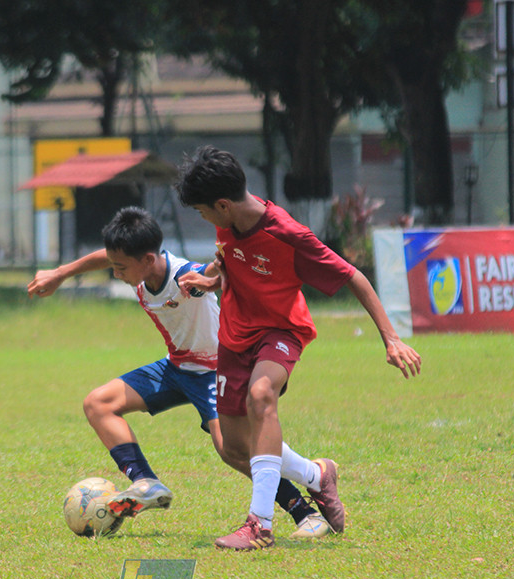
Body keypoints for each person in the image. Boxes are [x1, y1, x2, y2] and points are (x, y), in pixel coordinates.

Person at [28, 206, 333, 537]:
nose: (115, 273)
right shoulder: (138, 269)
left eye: (120, 267)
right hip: (175, 368)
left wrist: (211, 275)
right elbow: (105, 256)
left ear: (147, 259)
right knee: (97, 404)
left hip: (216, 371)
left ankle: (305, 511)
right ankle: (145, 482)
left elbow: (212, 272)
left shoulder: (184, 275)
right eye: (114, 265)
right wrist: (60, 273)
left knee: (233, 451)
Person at [175, 146, 422, 551]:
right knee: (234, 447)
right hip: (233, 337)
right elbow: (233, 263)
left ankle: (259, 525)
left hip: (281, 330)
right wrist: (210, 280)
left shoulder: (287, 235)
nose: (204, 219)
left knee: (261, 395)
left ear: (222, 205)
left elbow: (354, 276)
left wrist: (390, 338)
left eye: (203, 211)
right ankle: (316, 475)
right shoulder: (227, 224)